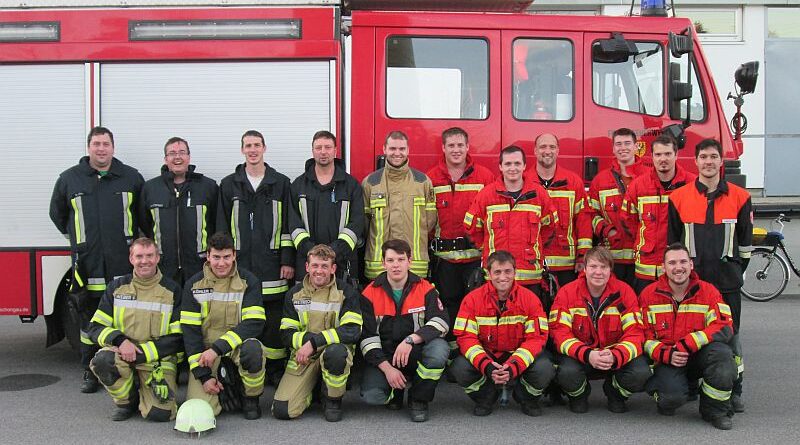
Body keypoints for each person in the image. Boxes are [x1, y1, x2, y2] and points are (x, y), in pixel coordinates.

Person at [49, 126, 145, 393]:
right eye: (96, 144)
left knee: (126, 318)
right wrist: (81, 241)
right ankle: (90, 371)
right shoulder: (70, 179)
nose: (101, 149)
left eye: (106, 144)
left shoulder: (131, 178)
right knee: (88, 320)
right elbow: (58, 215)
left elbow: (143, 217)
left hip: (122, 264)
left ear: (113, 148)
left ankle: (129, 369)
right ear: (89, 147)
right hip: (87, 265)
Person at [667, 138, 752, 413]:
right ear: (695, 161)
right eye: (703, 157)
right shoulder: (678, 197)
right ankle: (692, 384)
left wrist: (734, 272)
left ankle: (733, 390)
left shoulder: (741, 197)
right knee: (691, 332)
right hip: (693, 284)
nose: (708, 162)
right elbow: (673, 244)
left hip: (727, 284)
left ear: (721, 161)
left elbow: (746, 247)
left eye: (713, 157)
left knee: (731, 338)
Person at [217, 130, 294, 385]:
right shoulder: (229, 184)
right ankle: (246, 365)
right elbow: (222, 228)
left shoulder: (280, 183)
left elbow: (288, 226)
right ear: (242, 150)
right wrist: (225, 261)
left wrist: (286, 259)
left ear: (264, 148)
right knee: (243, 314)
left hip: (272, 263)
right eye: (248, 146)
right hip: (240, 265)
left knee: (273, 316)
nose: (252, 150)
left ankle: (273, 367)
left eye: (256, 145)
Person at [641, 243, 737, 430]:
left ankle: (715, 411)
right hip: (668, 358)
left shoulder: (708, 291)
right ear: (664, 267)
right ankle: (681, 388)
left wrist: (690, 342)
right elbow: (641, 334)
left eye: (683, 261)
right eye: (672, 263)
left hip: (699, 354)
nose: (678, 267)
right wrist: (665, 354)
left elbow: (725, 325)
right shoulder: (648, 295)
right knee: (670, 400)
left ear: (691, 265)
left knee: (722, 355)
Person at [87, 238, 182, 422]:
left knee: (160, 414)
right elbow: (95, 328)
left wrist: (141, 354)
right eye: (139, 256)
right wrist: (121, 341)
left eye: (149, 256)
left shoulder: (172, 290)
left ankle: (144, 389)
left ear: (157, 258)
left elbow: (178, 337)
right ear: (131, 258)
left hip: (156, 361)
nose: (144, 261)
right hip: (122, 354)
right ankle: (126, 401)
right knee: (103, 360)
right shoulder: (116, 288)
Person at [451, 250, 555, 417]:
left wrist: (514, 366)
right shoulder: (472, 300)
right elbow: (466, 339)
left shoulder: (530, 299)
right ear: (488, 274)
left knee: (545, 368)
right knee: (459, 367)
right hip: (488, 356)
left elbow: (536, 339)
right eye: (497, 272)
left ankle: (525, 397)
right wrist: (487, 366)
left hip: (517, 355)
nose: (503, 277)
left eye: (507, 271)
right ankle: (486, 396)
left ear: (515, 272)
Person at [550, 246, 650, 414]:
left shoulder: (624, 292)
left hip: (613, 356)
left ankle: (615, 394)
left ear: (610, 269)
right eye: (593, 266)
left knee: (641, 371)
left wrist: (616, 355)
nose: (598, 272)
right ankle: (579, 396)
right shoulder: (567, 293)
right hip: (581, 356)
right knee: (566, 371)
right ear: (585, 268)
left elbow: (636, 332)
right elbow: (559, 333)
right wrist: (588, 354)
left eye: (604, 267)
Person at [359, 239, 450, 422]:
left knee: (439, 350)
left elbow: (441, 322)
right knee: (373, 396)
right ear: (383, 263)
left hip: (415, 351)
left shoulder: (425, 289)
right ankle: (396, 389)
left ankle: (418, 399)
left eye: (401, 259)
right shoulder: (369, 293)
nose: (396, 265)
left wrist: (411, 340)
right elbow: (367, 338)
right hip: (385, 355)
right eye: (391, 260)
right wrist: (387, 369)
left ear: (410, 261)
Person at [180, 232, 267, 420]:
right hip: (205, 354)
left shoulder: (248, 281)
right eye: (216, 257)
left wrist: (217, 349)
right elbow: (190, 334)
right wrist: (203, 376)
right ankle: (224, 389)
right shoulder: (193, 285)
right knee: (201, 413)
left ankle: (250, 398)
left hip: (236, 346)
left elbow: (254, 324)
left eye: (226, 257)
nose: (221, 263)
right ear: (208, 256)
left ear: (234, 255)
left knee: (253, 349)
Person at [273, 244, 363, 422]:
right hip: (304, 357)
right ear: (307, 267)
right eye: (315, 266)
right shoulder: (294, 294)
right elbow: (286, 334)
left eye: (324, 266)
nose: (319, 271)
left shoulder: (347, 292)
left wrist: (313, 343)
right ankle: (312, 393)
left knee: (336, 353)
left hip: (333, 353)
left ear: (333, 268)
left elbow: (352, 330)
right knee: (282, 410)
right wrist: (307, 346)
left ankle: (332, 400)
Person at [425, 127, 495, 357]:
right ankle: (453, 353)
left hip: (475, 258)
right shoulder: (430, 178)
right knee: (448, 305)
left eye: (460, 145)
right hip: (444, 260)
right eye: (451, 145)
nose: (456, 150)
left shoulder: (485, 177)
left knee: (476, 307)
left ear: (467, 147)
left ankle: (473, 352)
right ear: (443, 148)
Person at [464, 145, 557, 308]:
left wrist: (535, 248)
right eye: (507, 164)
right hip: (496, 278)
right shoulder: (486, 195)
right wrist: (489, 250)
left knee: (528, 321)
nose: (512, 168)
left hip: (530, 277)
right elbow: (472, 229)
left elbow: (550, 227)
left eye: (516, 163)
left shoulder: (539, 194)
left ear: (524, 166)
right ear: (500, 167)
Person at [140, 137, 218, 284]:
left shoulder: (207, 187)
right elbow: (145, 224)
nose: (177, 157)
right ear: (165, 159)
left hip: (200, 266)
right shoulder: (150, 188)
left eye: (182, 152)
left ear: (189, 157)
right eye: (172, 153)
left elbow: (216, 224)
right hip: (163, 267)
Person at [622, 134, 695, 293]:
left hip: (679, 268)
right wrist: (644, 241)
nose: (663, 159)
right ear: (652, 157)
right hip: (646, 268)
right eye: (658, 154)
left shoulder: (691, 184)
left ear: (676, 155)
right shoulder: (638, 186)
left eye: (668, 154)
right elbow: (628, 221)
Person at [289, 131, 365, 282]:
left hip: (342, 263)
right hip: (308, 264)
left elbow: (357, 223)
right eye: (318, 147)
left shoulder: (351, 185)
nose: (323, 152)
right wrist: (311, 252)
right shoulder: (298, 185)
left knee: (343, 304)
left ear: (336, 151)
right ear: (312, 151)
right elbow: (293, 223)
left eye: (328, 147)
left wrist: (334, 251)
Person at [362, 131, 437, 280]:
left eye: (402, 149)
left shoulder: (423, 182)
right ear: (384, 149)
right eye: (392, 149)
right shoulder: (370, 183)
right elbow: (364, 224)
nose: (397, 153)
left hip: (414, 263)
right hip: (379, 264)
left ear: (408, 150)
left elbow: (430, 222)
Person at [587, 128, 647, 285]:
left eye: (627, 143)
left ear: (636, 147)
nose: (623, 148)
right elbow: (591, 214)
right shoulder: (600, 181)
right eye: (618, 144)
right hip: (612, 257)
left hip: (642, 258)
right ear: (613, 149)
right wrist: (608, 231)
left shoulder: (649, 177)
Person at [534, 133, 592, 287]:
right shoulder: (525, 182)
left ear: (558, 151)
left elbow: (584, 220)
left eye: (552, 147)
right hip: (533, 264)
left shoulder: (573, 182)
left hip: (567, 264)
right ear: (535, 151)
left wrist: (583, 256)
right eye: (543, 147)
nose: (548, 151)